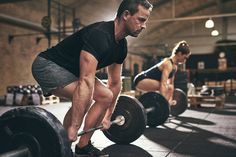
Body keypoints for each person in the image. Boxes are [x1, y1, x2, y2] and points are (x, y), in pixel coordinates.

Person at [31, 0, 153, 156]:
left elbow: (115, 83)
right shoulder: (100, 35)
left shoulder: (121, 47)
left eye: (145, 21)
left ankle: (83, 145)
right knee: (85, 97)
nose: (144, 26)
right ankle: (65, 141)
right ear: (126, 15)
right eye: (141, 20)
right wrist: (74, 127)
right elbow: (86, 81)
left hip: (72, 71)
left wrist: (108, 115)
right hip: (48, 65)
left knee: (106, 96)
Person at [133, 41, 191, 105]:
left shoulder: (175, 67)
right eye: (185, 57)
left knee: (170, 87)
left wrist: (170, 99)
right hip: (141, 80)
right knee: (165, 86)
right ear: (180, 54)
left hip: (149, 81)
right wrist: (164, 102)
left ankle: (164, 106)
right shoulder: (168, 63)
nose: (185, 60)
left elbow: (171, 83)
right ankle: (163, 105)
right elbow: (163, 84)